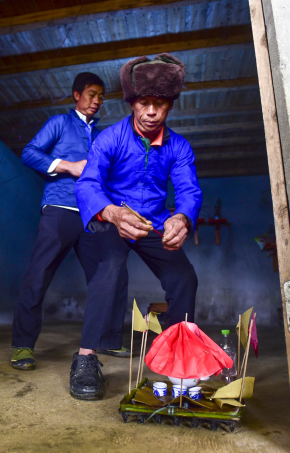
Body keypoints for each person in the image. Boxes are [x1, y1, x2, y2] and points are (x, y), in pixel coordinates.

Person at [71, 53, 203, 399]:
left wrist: (182, 217)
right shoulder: (110, 138)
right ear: (132, 103)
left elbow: (188, 190)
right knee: (110, 268)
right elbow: (87, 184)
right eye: (144, 103)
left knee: (184, 277)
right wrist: (112, 213)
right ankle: (86, 359)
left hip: (155, 223)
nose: (151, 112)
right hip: (115, 219)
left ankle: (178, 361)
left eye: (160, 104)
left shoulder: (179, 147)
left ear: (170, 106)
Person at [11, 73, 128, 373]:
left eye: (101, 96)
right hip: (60, 209)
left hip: (94, 215)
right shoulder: (59, 124)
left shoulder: (104, 135)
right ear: (76, 95)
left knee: (113, 270)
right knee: (38, 274)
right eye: (91, 94)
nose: (97, 100)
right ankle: (23, 345)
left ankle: (107, 339)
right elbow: (29, 153)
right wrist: (68, 166)